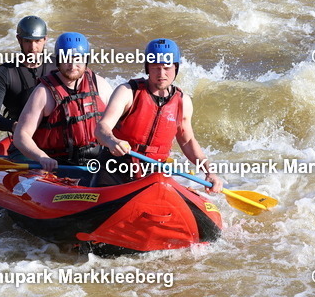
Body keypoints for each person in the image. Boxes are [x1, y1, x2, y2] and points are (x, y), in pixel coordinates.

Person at [96, 38, 224, 193]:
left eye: (166, 67)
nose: (161, 74)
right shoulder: (128, 92)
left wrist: (209, 171)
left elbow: (188, 141)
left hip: (154, 172)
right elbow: (101, 128)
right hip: (116, 167)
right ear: (147, 67)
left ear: (175, 68)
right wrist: (111, 141)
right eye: (156, 67)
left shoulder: (183, 101)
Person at [13, 32, 113, 172]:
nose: (72, 66)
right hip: (59, 165)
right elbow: (20, 135)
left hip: (98, 162)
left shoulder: (100, 85)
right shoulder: (44, 92)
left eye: (78, 59)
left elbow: (119, 124)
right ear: (58, 60)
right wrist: (42, 157)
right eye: (67, 60)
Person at [0, 16, 51, 133]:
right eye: (27, 41)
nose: (33, 47)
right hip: (25, 138)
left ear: (45, 39)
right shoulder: (5, 72)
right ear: (19, 39)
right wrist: (14, 126)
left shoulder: (57, 66)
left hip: (57, 137)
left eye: (37, 41)